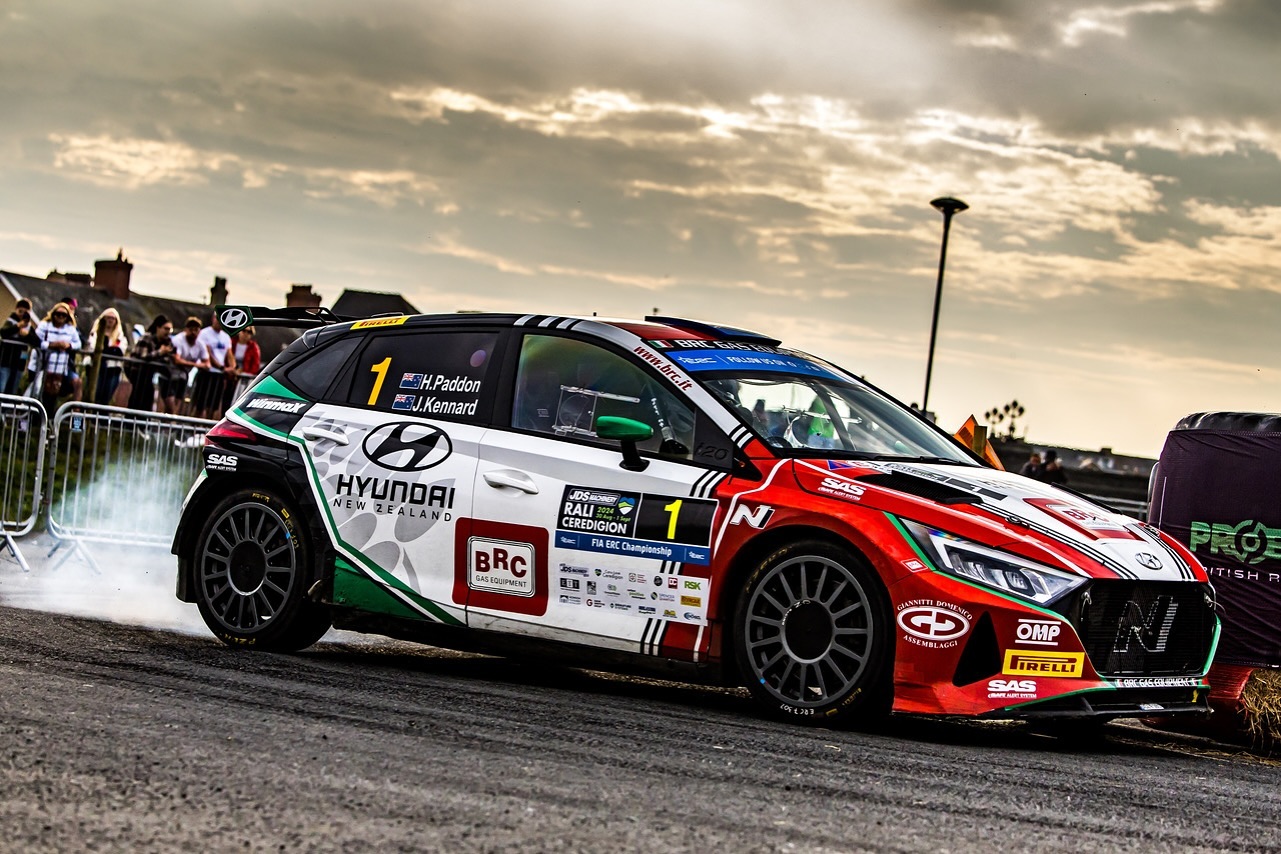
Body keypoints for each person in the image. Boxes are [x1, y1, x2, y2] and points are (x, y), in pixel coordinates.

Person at [35, 302, 83, 410]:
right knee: (40, 392)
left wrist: (69, 345)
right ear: (53, 314)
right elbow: (36, 341)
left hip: (61, 367)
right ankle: (36, 415)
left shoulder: (70, 329)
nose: (60, 317)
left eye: (64, 315)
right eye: (58, 314)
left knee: (55, 393)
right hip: (44, 366)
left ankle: (74, 416)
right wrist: (52, 345)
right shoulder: (45, 325)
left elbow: (78, 344)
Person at [128, 315, 176, 412]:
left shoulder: (167, 341)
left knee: (148, 399)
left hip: (152, 374)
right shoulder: (147, 338)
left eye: (170, 329)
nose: (168, 332)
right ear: (158, 328)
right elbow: (143, 356)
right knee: (137, 398)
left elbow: (169, 357)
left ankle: (144, 420)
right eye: (166, 329)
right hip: (138, 372)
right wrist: (160, 352)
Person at [193, 312, 235, 419]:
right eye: (217, 318)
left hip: (219, 375)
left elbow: (230, 355)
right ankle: (193, 426)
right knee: (199, 405)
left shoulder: (226, 337)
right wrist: (222, 368)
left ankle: (206, 427)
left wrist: (232, 367)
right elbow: (208, 354)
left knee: (212, 406)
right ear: (213, 318)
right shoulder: (204, 333)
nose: (219, 321)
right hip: (206, 372)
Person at [87, 307, 129, 405]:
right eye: (108, 317)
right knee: (94, 395)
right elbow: (92, 348)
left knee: (106, 397)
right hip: (96, 368)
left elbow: (120, 351)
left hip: (113, 370)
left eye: (113, 318)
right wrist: (111, 350)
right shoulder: (95, 333)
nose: (110, 320)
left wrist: (105, 351)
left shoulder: (120, 336)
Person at [171, 317, 210, 415]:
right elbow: (177, 360)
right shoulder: (178, 339)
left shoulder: (200, 343)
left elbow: (207, 364)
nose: (193, 332)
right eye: (191, 329)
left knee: (179, 399)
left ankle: (173, 420)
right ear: (186, 330)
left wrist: (195, 365)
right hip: (170, 373)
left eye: (196, 330)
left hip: (184, 375)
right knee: (170, 402)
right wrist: (196, 364)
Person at [0, 298, 39, 395]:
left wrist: (27, 335)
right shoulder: (11, 321)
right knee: (2, 386)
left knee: (13, 388)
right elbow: (4, 333)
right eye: (20, 311)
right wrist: (17, 326)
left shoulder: (28, 326)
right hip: (5, 360)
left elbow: (37, 341)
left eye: (25, 312)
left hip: (19, 363)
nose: (22, 314)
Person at [223, 325, 261, 411]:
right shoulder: (231, 343)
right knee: (224, 401)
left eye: (249, 332)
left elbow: (255, 366)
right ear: (239, 331)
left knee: (236, 402)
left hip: (242, 380)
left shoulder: (254, 347)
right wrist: (228, 369)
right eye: (244, 330)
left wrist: (242, 372)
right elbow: (224, 358)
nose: (246, 333)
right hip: (228, 377)